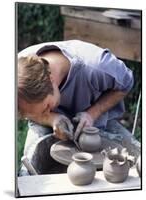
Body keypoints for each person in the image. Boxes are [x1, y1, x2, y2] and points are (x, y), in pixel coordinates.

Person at [18, 40, 136, 175]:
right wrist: (50, 118)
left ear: (51, 79)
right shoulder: (16, 72)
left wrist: (92, 113)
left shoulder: (97, 66)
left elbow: (126, 84)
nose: (45, 112)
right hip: (44, 123)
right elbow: (31, 113)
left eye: (46, 107)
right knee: (28, 171)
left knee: (135, 160)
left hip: (97, 117)